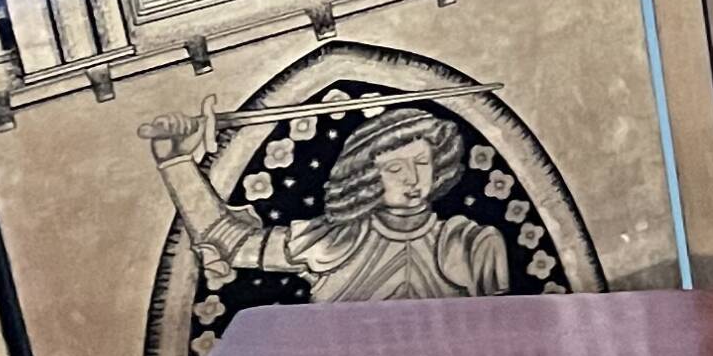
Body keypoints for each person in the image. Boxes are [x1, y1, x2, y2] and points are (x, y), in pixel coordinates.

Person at [145, 99, 513, 304]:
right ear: (368, 176)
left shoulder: (471, 244)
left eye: (421, 163)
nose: (413, 179)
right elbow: (229, 240)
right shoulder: (334, 241)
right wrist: (175, 163)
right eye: (395, 168)